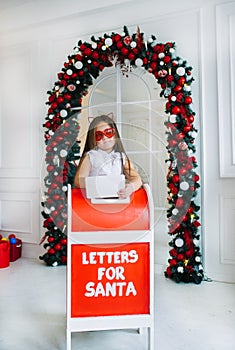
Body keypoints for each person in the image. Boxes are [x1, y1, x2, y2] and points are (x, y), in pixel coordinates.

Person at [74, 114, 142, 198]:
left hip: (117, 201)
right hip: (95, 202)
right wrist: (99, 184)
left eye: (108, 132)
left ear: (115, 134)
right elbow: (78, 180)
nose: (105, 138)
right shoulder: (90, 157)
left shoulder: (121, 157)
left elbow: (137, 178)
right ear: (93, 138)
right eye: (99, 135)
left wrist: (131, 187)